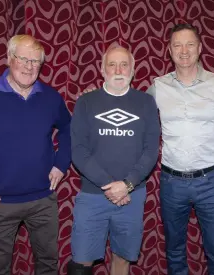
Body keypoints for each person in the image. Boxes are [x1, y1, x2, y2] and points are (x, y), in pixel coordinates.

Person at [0, 34, 71, 275]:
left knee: (48, 264)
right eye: (23, 59)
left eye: (36, 61)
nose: (29, 67)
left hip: (43, 200)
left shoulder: (50, 97)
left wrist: (61, 164)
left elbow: (69, 129)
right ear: (9, 58)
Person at [146, 23, 214, 275]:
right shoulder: (158, 87)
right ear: (170, 51)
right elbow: (135, 114)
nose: (184, 50)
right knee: (174, 249)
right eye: (177, 45)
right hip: (172, 181)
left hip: (212, 181)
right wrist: (98, 99)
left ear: (200, 48)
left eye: (190, 44)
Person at [68, 44, 160, 275]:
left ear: (133, 68)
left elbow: (151, 150)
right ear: (102, 69)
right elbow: (78, 150)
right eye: (112, 64)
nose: (118, 69)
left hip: (132, 195)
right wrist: (110, 185)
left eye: (124, 64)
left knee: (122, 258)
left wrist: (127, 185)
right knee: (81, 263)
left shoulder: (146, 103)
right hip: (92, 195)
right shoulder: (86, 102)